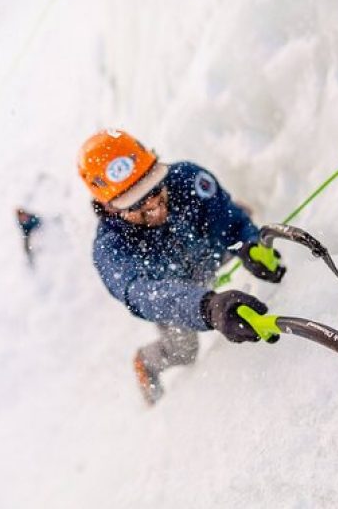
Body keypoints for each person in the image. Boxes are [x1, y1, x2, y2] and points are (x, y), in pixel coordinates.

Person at [78, 129, 285, 405]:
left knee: (244, 215)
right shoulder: (111, 251)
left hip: (208, 254)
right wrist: (206, 307)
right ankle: (145, 362)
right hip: (177, 294)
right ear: (109, 206)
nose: (153, 205)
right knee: (184, 351)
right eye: (137, 203)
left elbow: (229, 219)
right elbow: (147, 296)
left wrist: (248, 244)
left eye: (152, 187)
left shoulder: (187, 178)